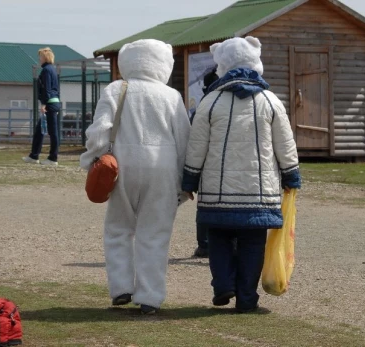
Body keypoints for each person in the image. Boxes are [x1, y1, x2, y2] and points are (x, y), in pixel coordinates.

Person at [182, 36, 301, 313]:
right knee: (252, 243)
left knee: (219, 238)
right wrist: (291, 177)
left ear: (221, 64)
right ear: (256, 62)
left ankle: (223, 285)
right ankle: (247, 300)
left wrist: (189, 181)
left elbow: (196, 146)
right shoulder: (270, 101)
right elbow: (285, 144)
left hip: (216, 191)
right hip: (259, 191)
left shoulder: (210, 101)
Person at [80, 39, 191, 315]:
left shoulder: (116, 89)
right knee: (155, 234)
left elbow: (98, 132)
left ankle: (121, 289)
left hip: (122, 167)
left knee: (118, 229)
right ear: (162, 63)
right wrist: (185, 181)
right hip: (163, 169)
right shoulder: (171, 96)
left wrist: (91, 161)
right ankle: (150, 298)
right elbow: (184, 140)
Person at [191, 68, 219, 259]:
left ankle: (205, 245)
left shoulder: (205, 104)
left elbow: (195, 138)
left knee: (205, 204)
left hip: (208, 163)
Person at [23, 47, 61, 166]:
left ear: (45, 57)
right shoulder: (53, 70)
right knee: (39, 130)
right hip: (54, 102)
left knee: (53, 132)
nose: (39, 59)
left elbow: (47, 89)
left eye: (40, 56)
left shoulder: (46, 70)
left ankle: (53, 158)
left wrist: (44, 103)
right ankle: (34, 155)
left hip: (50, 103)